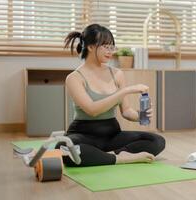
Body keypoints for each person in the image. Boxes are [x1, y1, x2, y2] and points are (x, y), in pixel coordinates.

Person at [56, 24, 165, 167]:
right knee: (63, 149)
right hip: (84, 134)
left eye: (112, 47)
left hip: (112, 134)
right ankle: (121, 158)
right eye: (105, 46)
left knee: (157, 141)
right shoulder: (74, 78)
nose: (110, 51)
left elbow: (126, 111)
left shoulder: (117, 74)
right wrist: (125, 91)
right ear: (90, 47)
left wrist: (140, 116)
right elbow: (92, 110)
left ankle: (107, 156)